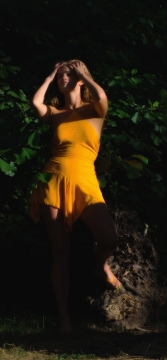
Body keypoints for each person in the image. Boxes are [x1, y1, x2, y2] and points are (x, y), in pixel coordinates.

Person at [29, 60, 121, 334]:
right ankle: (64, 319)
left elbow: (101, 95)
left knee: (109, 238)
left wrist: (81, 73)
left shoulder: (95, 110)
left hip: (85, 180)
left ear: (81, 78)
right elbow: (35, 103)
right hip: (53, 179)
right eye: (61, 76)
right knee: (60, 251)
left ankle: (101, 266)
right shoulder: (55, 113)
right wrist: (50, 76)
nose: (63, 78)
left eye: (69, 74)